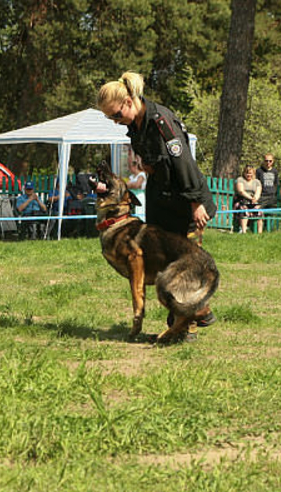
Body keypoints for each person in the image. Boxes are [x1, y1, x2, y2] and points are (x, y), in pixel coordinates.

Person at [97, 71, 217, 340]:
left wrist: (196, 204)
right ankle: (188, 319)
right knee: (167, 263)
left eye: (116, 115)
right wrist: (148, 165)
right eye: (110, 118)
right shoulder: (136, 126)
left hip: (185, 202)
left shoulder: (161, 121)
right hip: (162, 202)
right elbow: (159, 160)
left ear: (128, 102)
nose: (116, 122)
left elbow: (183, 163)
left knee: (185, 264)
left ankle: (192, 321)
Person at [233, 164, 263, 234]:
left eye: (250, 173)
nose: (249, 175)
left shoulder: (257, 182)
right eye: (247, 173)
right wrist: (250, 198)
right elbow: (241, 191)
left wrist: (255, 198)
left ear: (253, 173)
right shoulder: (240, 180)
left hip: (253, 202)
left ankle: (260, 233)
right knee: (244, 210)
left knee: (259, 211)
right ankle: (244, 231)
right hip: (242, 201)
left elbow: (258, 192)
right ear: (244, 173)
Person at [126, 151, 147, 220]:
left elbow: (137, 185)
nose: (129, 169)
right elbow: (126, 185)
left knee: (140, 212)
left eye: (130, 167)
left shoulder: (141, 175)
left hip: (140, 197)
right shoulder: (132, 176)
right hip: (132, 196)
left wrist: (131, 185)